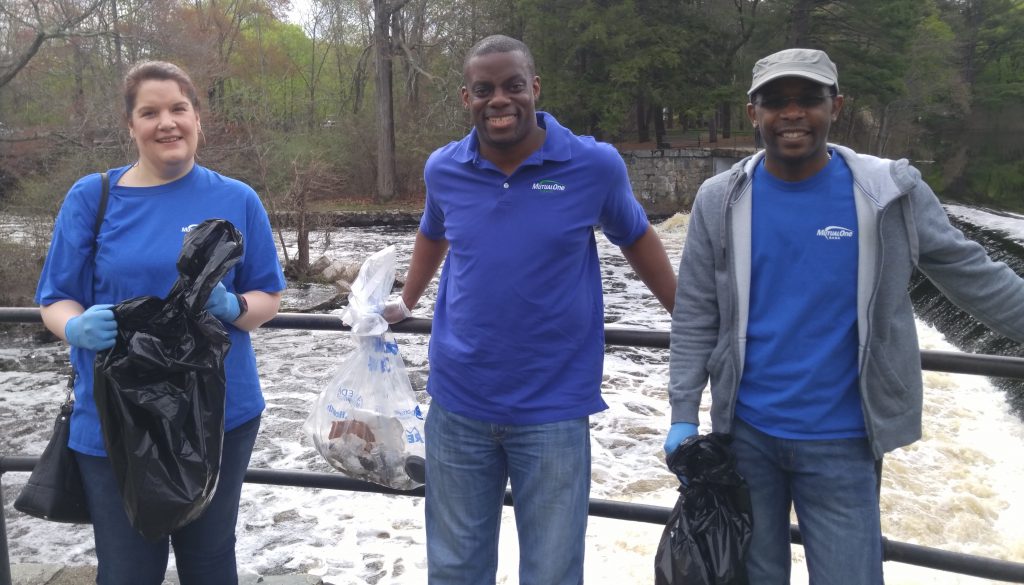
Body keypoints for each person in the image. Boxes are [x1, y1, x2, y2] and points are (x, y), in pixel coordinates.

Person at [664, 47, 1024, 583]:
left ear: (836, 106)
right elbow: (695, 312)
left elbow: (971, 273)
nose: (792, 114)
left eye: (808, 99)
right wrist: (682, 413)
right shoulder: (721, 199)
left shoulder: (887, 193)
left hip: (845, 439)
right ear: (752, 113)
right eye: (775, 102)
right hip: (745, 435)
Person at [382, 34, 676, 585]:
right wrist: (406, 301)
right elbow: (433, 232)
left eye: (513, 86)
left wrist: (687, 318)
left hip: (554, 407)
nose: (500, 100)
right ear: (465, 97)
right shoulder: (444, 168)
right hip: (458, 401)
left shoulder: (594, 165)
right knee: (455, 568)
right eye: (484, 89)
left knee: (552, 570)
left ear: (534, 88)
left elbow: (635, 237)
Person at [35, 61, 286, 585]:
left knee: (211, 562)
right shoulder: (92, 197)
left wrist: (235, 307)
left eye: (178, 108)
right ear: (131, 126)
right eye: (149, 112)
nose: (166, 122)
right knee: (127, 569)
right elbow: (55, 298)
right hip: (113, 417)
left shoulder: (238, 198)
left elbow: (270, 296)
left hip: (220, 413)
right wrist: (75, 327)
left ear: (198, 118)